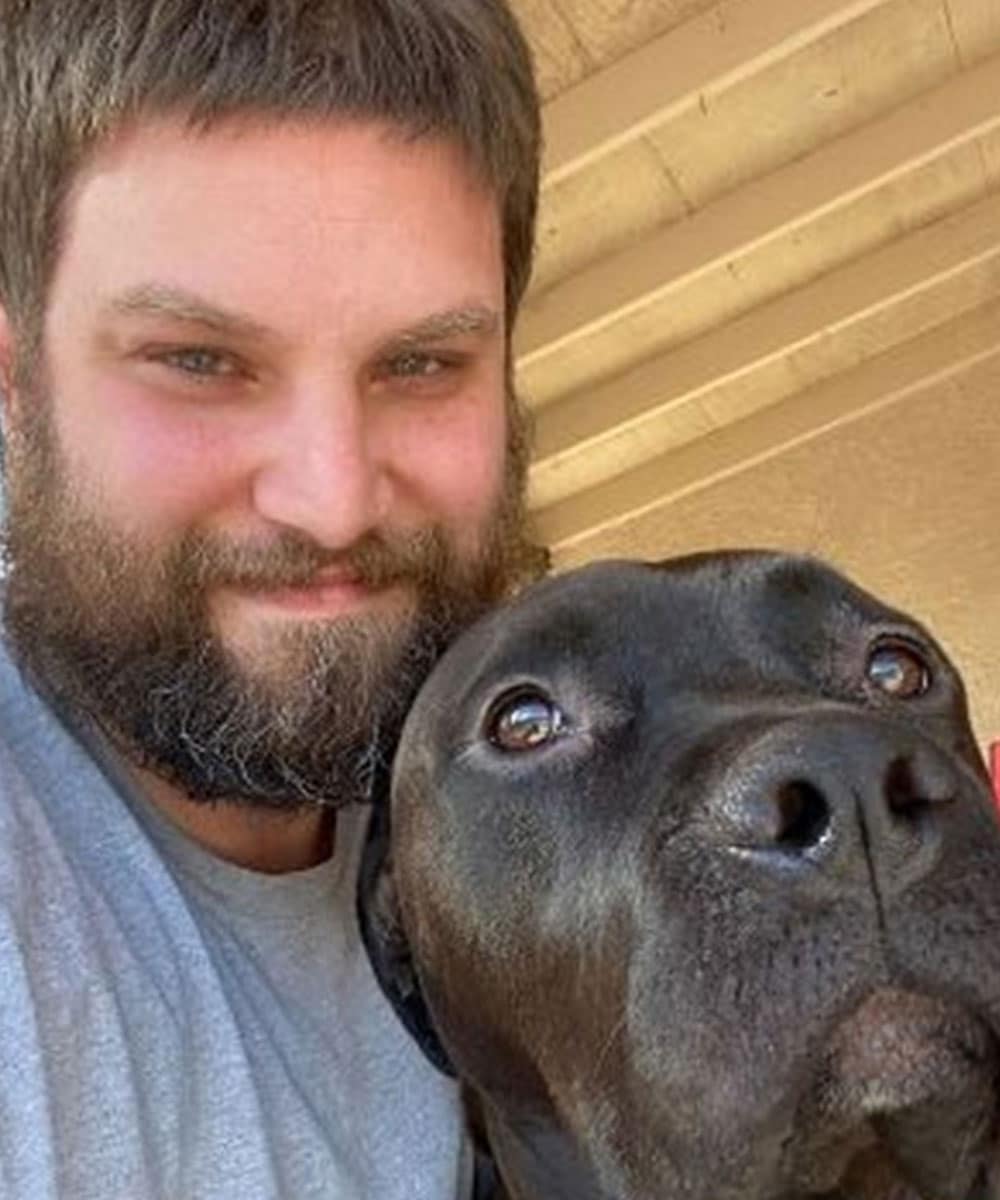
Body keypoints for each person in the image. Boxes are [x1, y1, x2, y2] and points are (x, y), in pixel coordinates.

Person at [0, 2, 547, 1197]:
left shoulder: (520, 814)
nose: (333, 501)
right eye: (200, 362)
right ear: (15, 384)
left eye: (420, 365)